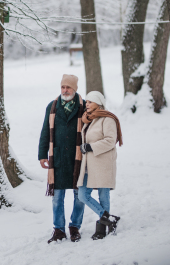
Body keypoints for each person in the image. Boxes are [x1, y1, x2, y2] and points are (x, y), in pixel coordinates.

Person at [38, 74, 85, 243]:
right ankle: (58, 229)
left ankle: (75, 227)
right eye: (63, 87)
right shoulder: (52, 106)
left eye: (68, 87)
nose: (65, 90)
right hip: (57, 158)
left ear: (75, 89)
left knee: (79, 196)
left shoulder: (84, 106)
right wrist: (42, 154)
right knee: (57, 198)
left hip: (78, 159)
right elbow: (45, 131)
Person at [76, 91, 123, 240]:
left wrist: (90, 147)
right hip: (88, 164)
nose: (86, 104)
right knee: (83, 195)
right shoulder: (88, 119)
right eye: (86, 102)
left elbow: (110, 140)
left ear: (98, 103)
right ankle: (108, 217)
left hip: (103, 163)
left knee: (104, 195)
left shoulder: (107, 119)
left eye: (90, 102)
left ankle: (101, 230)